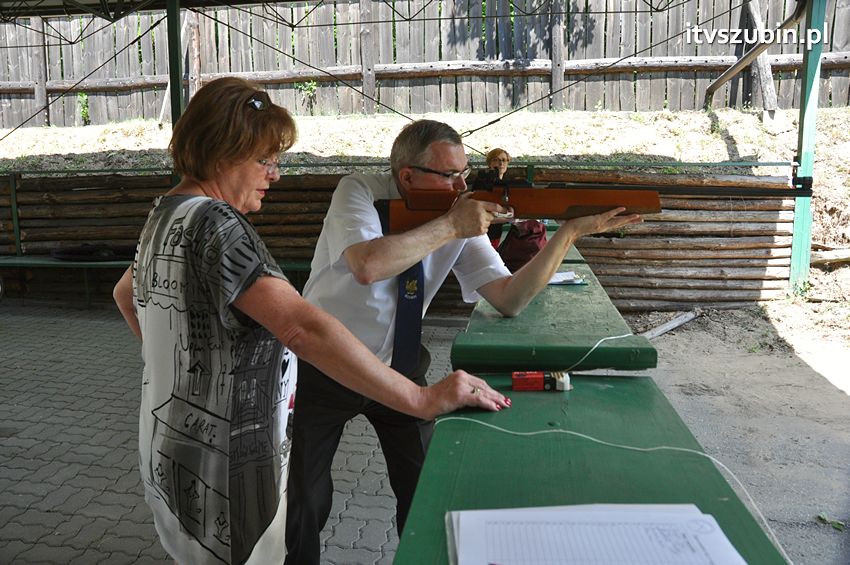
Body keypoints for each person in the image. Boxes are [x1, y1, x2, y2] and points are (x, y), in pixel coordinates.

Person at [112, 79, 508, 565]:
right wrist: (421, 398)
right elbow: (303, 328)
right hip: (229, 468)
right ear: (220, 154)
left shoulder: (165, 211)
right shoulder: (218, 224)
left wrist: (186, 375)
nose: (275, 175)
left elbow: (126, 294)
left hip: (174, 446)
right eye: (265, 160)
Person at [284, 119, 642, 564]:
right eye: (449, 175)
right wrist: (453, 225)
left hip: (400, 369)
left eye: (464, 173)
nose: (461, 184)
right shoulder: (358, 191)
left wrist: (566, 233)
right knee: (305, 500)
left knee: (425, 495)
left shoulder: (459, 216)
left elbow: (509, 298)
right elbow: (368, 265)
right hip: (325, 365)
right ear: (407, 175)